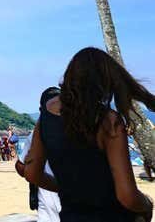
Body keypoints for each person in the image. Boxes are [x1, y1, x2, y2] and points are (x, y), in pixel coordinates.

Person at [24, 47, 155, 222]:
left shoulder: (46, 115)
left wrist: (69, 189)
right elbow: (127, 196)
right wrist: (147, 203)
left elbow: (32, 173)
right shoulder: (108, 121)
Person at [16, 87, 62, 222]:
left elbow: (21, 167)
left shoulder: (38, 133)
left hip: (48, 207)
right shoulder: (75, 131)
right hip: (65, 204)